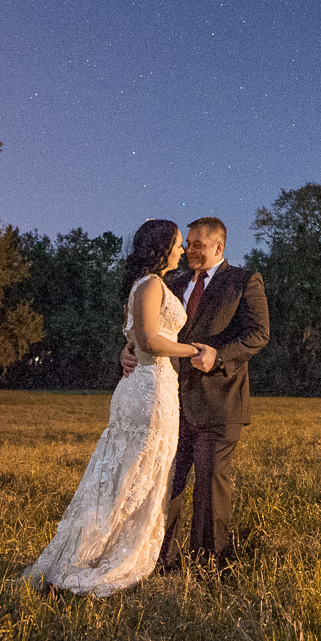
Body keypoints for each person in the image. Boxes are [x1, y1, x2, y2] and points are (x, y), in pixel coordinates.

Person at [18, 219, 211, 596]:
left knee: (140, 470)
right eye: (177, 243)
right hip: (149, 390)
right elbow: (151, 340)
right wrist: (194, 350)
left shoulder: (149, 285)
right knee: (131, 472)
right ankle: (100, 557)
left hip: (155, 387)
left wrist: (133, 348)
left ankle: (117, 551)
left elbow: (138, 337)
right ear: (161, 247)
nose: (182, 250)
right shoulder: (152, 284)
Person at [122, 215, 270, 573]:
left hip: (220, 402)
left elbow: (258, 333)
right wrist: (128, 350)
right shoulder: (169, 280)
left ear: (219, 246)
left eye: (198, 245)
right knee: (166, 482)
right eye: (187, 243)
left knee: (209, 487)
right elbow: (149, 329)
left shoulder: (244, 281)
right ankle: (159, 561)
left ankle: (208, 566)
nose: (189, 250)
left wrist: (219, 356)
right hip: (171, 401)